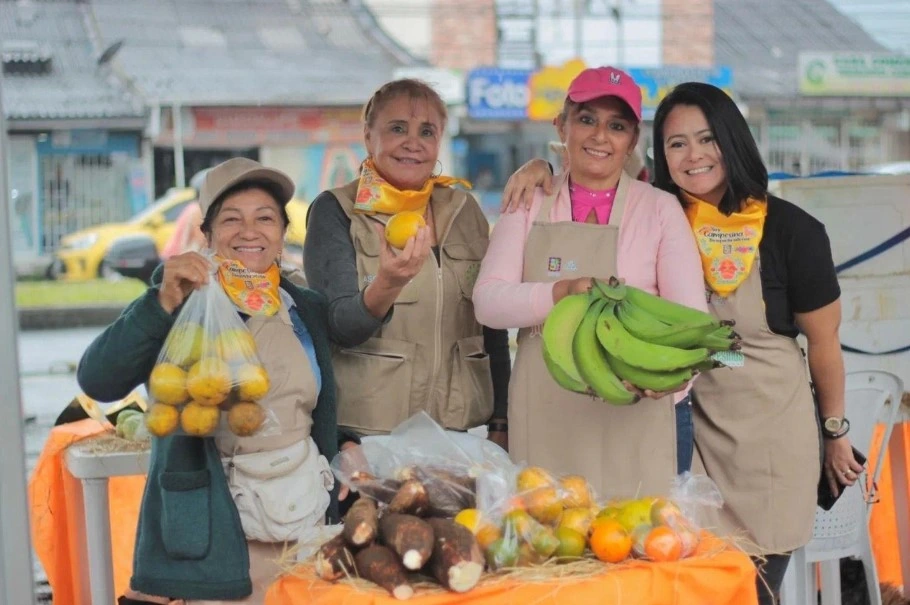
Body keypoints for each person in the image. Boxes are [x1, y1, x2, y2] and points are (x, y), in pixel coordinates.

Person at [502, 81, 861, 605]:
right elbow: (592, 167)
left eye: (707, 139)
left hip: (763, 434)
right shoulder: (660, 211)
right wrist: (539, 171)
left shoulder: (791, 231)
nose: (693, 156)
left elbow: (825, 344)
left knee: (751, 590)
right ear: (659, 155)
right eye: (676, 144)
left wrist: (835, 431)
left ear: (733, 141)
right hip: (679, 431)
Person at [78, 158, 358, 604]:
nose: (250, 231)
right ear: (206, 235)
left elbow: (310, 406)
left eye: (265, 218)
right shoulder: (180, 302)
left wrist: (344, 442)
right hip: (216, 533)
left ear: (282, 233)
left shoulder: (304, 306)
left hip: (304, 522)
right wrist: (161, 302)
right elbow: (99, 379)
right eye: (232, 219)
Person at [473, 66, 706, 501]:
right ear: (561, 125)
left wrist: (673, 379)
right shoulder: (528, 200)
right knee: (551, 543)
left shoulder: (660, 209)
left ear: (632, 140)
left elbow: (692, 320)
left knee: (635, 544)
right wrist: (559, 292)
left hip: (636, 411)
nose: (600, 136)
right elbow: (487, 303)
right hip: (545, 410)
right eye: (586, 119)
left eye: (616, 126)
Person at [304, 79, 511, 449]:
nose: (412, 142)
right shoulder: (336, 211)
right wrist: (386, 284)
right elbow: (339, 326)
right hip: (368, 440)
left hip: (460, 436)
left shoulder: (465, 211)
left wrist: (502, 419)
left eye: (426, 131)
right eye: (397, 128)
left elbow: (491, 324)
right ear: (369, 137)